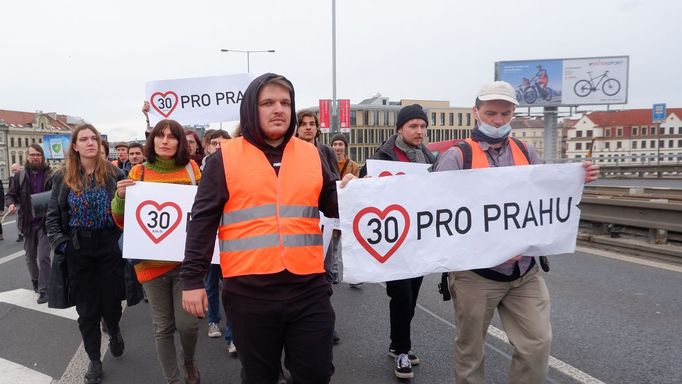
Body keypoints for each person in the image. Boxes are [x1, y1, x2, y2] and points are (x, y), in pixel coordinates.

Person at [181, 73, 354, 384]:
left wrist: (355, 192)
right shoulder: (225, 159)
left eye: (285, 102)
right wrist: (192, 279)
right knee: (261, 376)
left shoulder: (313, 154)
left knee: (316, 373)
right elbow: (202, 222)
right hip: (250, 294)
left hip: (308, 289)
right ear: (251, 109)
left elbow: (333, 205)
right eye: (268, 102)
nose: (279, 109)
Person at [433, 81, 600, 384]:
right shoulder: (458, 157)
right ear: (476, 112)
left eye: (505, 114)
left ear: (513, 113)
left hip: (524, 271)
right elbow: (434, 209)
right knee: (470, 352)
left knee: (537, 344)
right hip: (475, 275)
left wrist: (577, 178)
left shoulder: (526, 150)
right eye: (491, 113)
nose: (497, 120)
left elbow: (546, 193)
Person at [112, 119, 202, 384]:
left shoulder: (191, 169)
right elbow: (121, 220)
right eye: (160, 136)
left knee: (188, 325)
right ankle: (173, 380)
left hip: (186, 263)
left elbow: (203, 211)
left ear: (180, 142)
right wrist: (120, 198)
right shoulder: (138, 172)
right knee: (163, 327)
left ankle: (188, 360)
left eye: (171, 136)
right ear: (152, 141)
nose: (165, 141)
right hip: (150, 265)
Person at [45, 124, 126, 384]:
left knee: (111, 303)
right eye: (84, 139)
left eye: (94, 138)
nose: (91, 142)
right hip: (78, 249)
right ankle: (94, 360)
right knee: (87, 310)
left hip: (108, 245)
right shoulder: (62, 177)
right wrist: (63, 244)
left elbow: (127, 214)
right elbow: (52, 218)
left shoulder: (115, 173)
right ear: (75, 146)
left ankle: (113, 330)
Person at [362, 104, 435, 379]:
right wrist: (364, 181)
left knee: (412, 296)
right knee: (401, 296)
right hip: (393, 242)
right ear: (400, 129)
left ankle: (396, 343)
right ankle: (403, 350)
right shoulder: (383, 156)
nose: (420, 131)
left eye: (423, 126)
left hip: (418, 241)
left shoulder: (428, 157)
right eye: (414, 126)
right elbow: (360, 185)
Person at [199, 128, 236, 354]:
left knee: (232, 288)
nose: (219, 147)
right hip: (209, 241)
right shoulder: (196, 173)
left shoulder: (239, 174)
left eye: (225, 143)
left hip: (233, 241)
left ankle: (233, 336)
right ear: (207, 147)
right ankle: (213, 319)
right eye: (215, 143)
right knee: (211, 284)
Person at [6, 144, 54, 302]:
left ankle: (44, 289)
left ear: (42, 157)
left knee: (44, 257)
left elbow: (57, 194)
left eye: (38, 155)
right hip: (27, 222)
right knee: (30, 257)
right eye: (32, 155)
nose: (35, 157)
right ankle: (35, 279)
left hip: (45, 222)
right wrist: (11, 203)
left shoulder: (50, 174)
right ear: (27, 157)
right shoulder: (20, 176)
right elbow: (10, 195)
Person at [9, 163, 23, 242]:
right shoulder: (11, 179)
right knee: (18, 219)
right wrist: (11, 203)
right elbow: (10, 193)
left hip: (25, 202)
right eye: (13, 170)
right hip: (17, 202)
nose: (14, 171)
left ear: (20, 169)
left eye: (15, 169)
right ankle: (20, 234)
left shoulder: (24, 177)